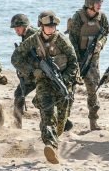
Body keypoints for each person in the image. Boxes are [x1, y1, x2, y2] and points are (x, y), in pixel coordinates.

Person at [11, 11, 78, 164]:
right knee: (48, 115)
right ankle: (50, 146)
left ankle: (54, 137)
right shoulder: (33, 40)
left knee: (60, 123)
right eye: (47, 26)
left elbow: (74, 63)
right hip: (43, 83)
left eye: (53, 26)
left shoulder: (62, 41)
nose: (50, 28)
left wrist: (66, 79)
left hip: (62, 84)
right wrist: (32, 71)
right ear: (41, 26)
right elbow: (16, 58)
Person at [68, 0, 109, 130]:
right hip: (77, 58)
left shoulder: (102, 17)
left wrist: (100, 44)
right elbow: (72, 39)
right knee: (69, 90)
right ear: (90, 4)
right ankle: (64, 120)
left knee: (93, 90)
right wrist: (76, 60)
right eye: (98, 3)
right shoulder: (77, 18)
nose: (100, 5)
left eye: (101, 2)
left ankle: (93, 121)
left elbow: (105, 33)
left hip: (93, 60)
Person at [10, 14, 38, 128]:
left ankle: (17, 125)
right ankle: (17, 125)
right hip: (33, 73)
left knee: (43, 100)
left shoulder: (32, 36)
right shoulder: (27, 35)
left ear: (25, 26)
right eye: (15, 28)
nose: (16, 30)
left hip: (38, 73)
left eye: (18, 27)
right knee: (19, 95)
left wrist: (26, 70)